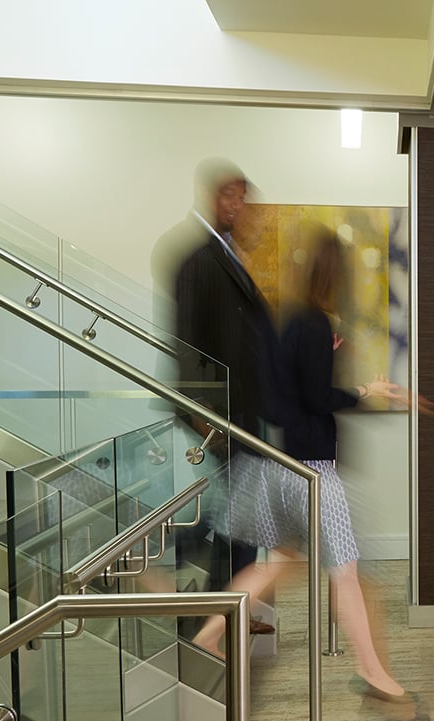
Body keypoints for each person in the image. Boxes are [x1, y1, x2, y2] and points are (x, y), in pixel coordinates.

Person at [194, 225, 429, 721]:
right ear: (335, 275)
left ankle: (210, 633)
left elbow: (286, 393)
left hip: (276, 463)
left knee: (276, 563)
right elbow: (318, 398)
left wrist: (339, 362)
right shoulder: (317, 325)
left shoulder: (287, 323)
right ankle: (374, 672)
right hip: (313, 470)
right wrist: (366, 390)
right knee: (344, 571)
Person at [151, 158, 282, 634]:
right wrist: (203, 413)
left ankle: (235, 612)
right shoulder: (195, 258)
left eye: (245, 195)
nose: (239, 204)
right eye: (231, 194)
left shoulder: (228, 255)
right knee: (214, 519)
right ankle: (193, 609)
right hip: (217, 417)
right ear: (212, 196)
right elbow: (186, 341)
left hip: (244, 413)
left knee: (243, 515)